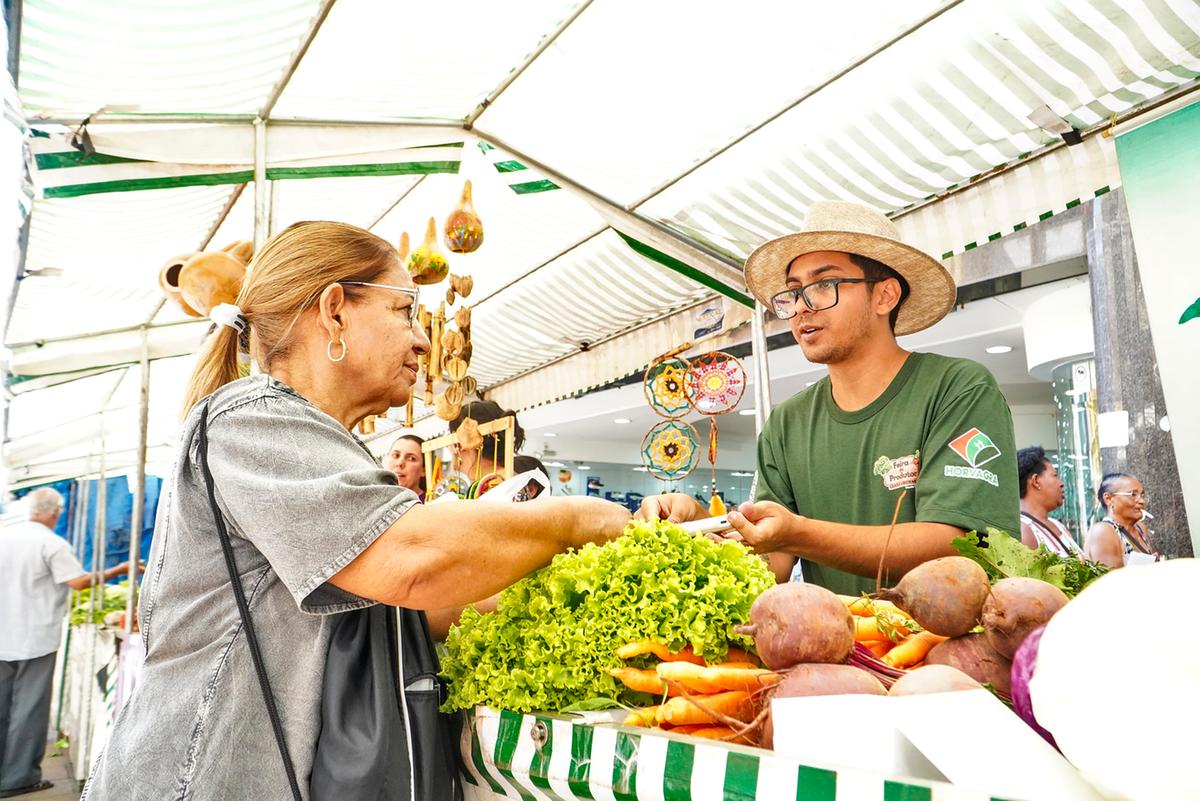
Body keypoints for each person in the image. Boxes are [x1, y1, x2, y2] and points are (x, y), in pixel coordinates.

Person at [81, 221, 629, 801]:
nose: (420, 340)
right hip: (200, 780)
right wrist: (578, 520)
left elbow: (415, 609)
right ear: (335, 312)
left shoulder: (321, 443)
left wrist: (579, 581)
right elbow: (411, 561)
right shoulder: (252, 419)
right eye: (404, 311)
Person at [637, 200, 1020, 594]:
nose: (802, 306)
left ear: (885, 296)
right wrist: (698, 527)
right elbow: (771, 564)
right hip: (831, 648)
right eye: (793, 292)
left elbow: (957, 547)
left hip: (947, 651)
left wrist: (798, 534)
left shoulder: (957, 389)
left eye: (824, 284)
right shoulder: (788, 423)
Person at [1, 488, 132, 798]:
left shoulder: (5, 536)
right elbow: (79, 581)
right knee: (28, 710)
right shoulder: (51, 543)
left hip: (3, 634)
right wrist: (119, 569)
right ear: (55, 513)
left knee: (2, 705)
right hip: (34, 637)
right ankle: (17, 778)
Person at [1017, 446, 1082, 557]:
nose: (1061, 483)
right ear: (1036, 481)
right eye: (1055, 476)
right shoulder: (1024, 530)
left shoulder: (1058, 526)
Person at [1084, 472, 1158, 568]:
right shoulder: (1103, 531)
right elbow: (1112, 580)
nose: (1141, 501)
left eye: (1142, 495)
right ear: (1108, 499)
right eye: (1133, 494)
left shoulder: (1140, 528)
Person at [383, 433, 426, 500]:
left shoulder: (433, 503)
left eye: (411, 458)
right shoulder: (377, 502)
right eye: (396, 455)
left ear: (424, 470)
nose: (399, 463)